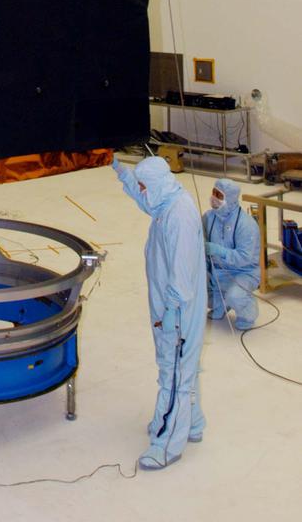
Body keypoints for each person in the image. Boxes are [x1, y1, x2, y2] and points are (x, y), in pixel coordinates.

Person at [112, 154, 207, 471]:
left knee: (174, 370)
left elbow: (181, 277)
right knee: (183, 368)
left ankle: (167, 444)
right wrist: (122, 173)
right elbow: (146, 202)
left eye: (142, 185)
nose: (142, 191)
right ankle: (191, 422)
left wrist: (170, 313)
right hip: (169, 302)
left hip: (177, 308)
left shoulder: (180, 217)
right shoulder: (166, 201)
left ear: (155, 184)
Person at [203, 177, 260, 329]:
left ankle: (247, 314)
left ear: (230, 198)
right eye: (213, 193)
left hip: (243, 272)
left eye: (219, 195)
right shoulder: (208, 218)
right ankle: (220, 304)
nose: (214, 198)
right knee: (194, 290)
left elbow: (245, 258)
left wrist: (219, 251)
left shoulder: (246, 224)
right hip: (217, 271)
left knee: (235, 296)